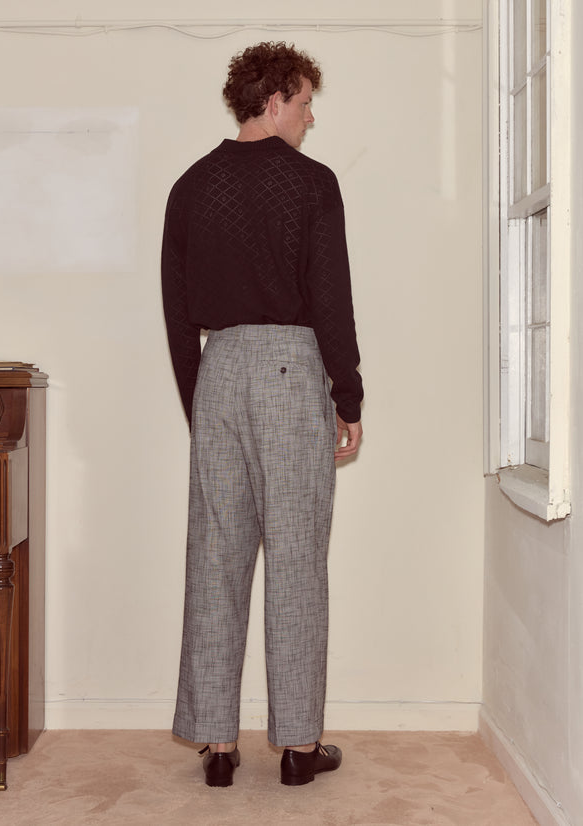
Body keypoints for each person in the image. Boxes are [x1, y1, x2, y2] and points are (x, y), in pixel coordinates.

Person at [161, 41, 363, 788]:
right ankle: (300, 748)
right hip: (287, 369)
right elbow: (330, 299)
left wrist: (201, 398)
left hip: (219, 372)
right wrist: (349, 394)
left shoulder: (190, 185)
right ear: (273, 100)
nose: (311, 117)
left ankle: (217, 745)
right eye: (306, 102)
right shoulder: (311, 184)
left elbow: (178, 313)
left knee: (214, 558)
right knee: (298, 560)